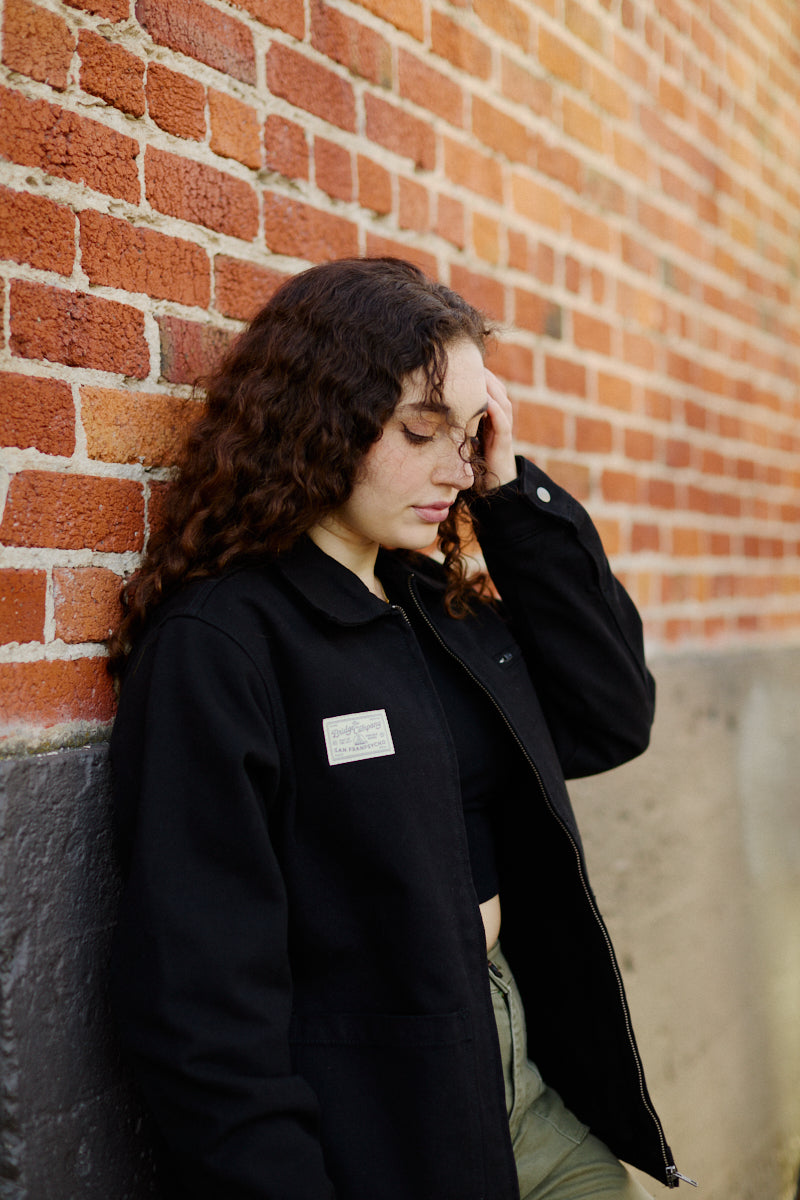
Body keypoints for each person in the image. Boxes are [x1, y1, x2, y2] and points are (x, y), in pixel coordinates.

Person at [108, 257, 692, 1199]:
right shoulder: (225, 645)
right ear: (320, 421)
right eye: (421, 431)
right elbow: (199, 1001)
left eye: (468, 435)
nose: (452, 467)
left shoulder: (435, 605)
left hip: (517, 1072)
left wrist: (508, 492)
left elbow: (611, 715)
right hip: (378, 1115)